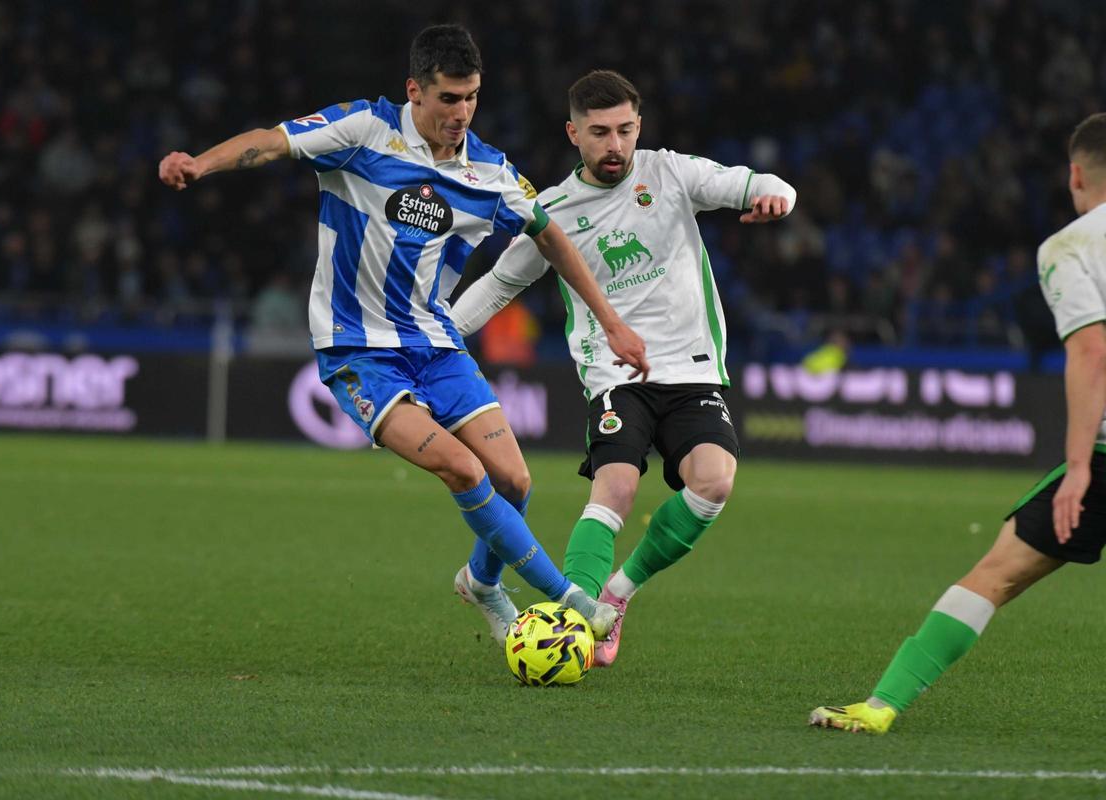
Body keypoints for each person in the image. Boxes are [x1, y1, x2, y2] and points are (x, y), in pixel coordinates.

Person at [158, 26, 650, 643]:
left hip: (434, 343)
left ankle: (481, 584)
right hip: (357, 349)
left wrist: (611, 322)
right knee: (461, 468)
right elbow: (271, 142)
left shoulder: (489, 171)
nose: (461, 113)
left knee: (515, 480)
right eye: (448, 98)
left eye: (471, 97)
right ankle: (570, 597)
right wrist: (199, 164)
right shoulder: (364, 130)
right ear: (415, 91)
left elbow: (549, 235)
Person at [450, 70, 796, 665]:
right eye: (600, 132)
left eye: (626, 130)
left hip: (691, 367)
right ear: (573, 134)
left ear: (640, 127)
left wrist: (778, 197)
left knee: (713, 481)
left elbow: (761, 182)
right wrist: (440, 339)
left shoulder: (670, 173)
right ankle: (573, 624)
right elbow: (499, 284)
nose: (615, 145)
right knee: (618, 485)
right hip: (615, 376)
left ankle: (616, 593)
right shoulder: (552, 209)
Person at [810, 112, 1106, 734]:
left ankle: (883, 704)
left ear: (1075, 175)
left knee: (997, 573)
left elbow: (1090, 351)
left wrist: (1079, 465)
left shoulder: (1072, 246)